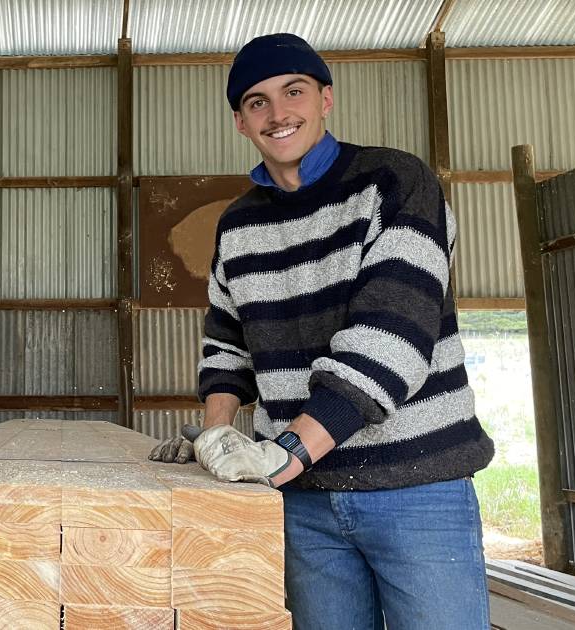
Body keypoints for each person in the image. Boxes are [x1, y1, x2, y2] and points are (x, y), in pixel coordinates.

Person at [151, 34, 495, 629]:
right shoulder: (238, 225)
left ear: (326, 98)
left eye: (294, 92)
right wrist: (217, 436)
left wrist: (288, 452)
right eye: (257, 102)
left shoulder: (394, 183)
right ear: (240, 122)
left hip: (413, 487)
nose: (278, 113)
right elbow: (226, 343)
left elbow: (392, 334)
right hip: (302, 502)